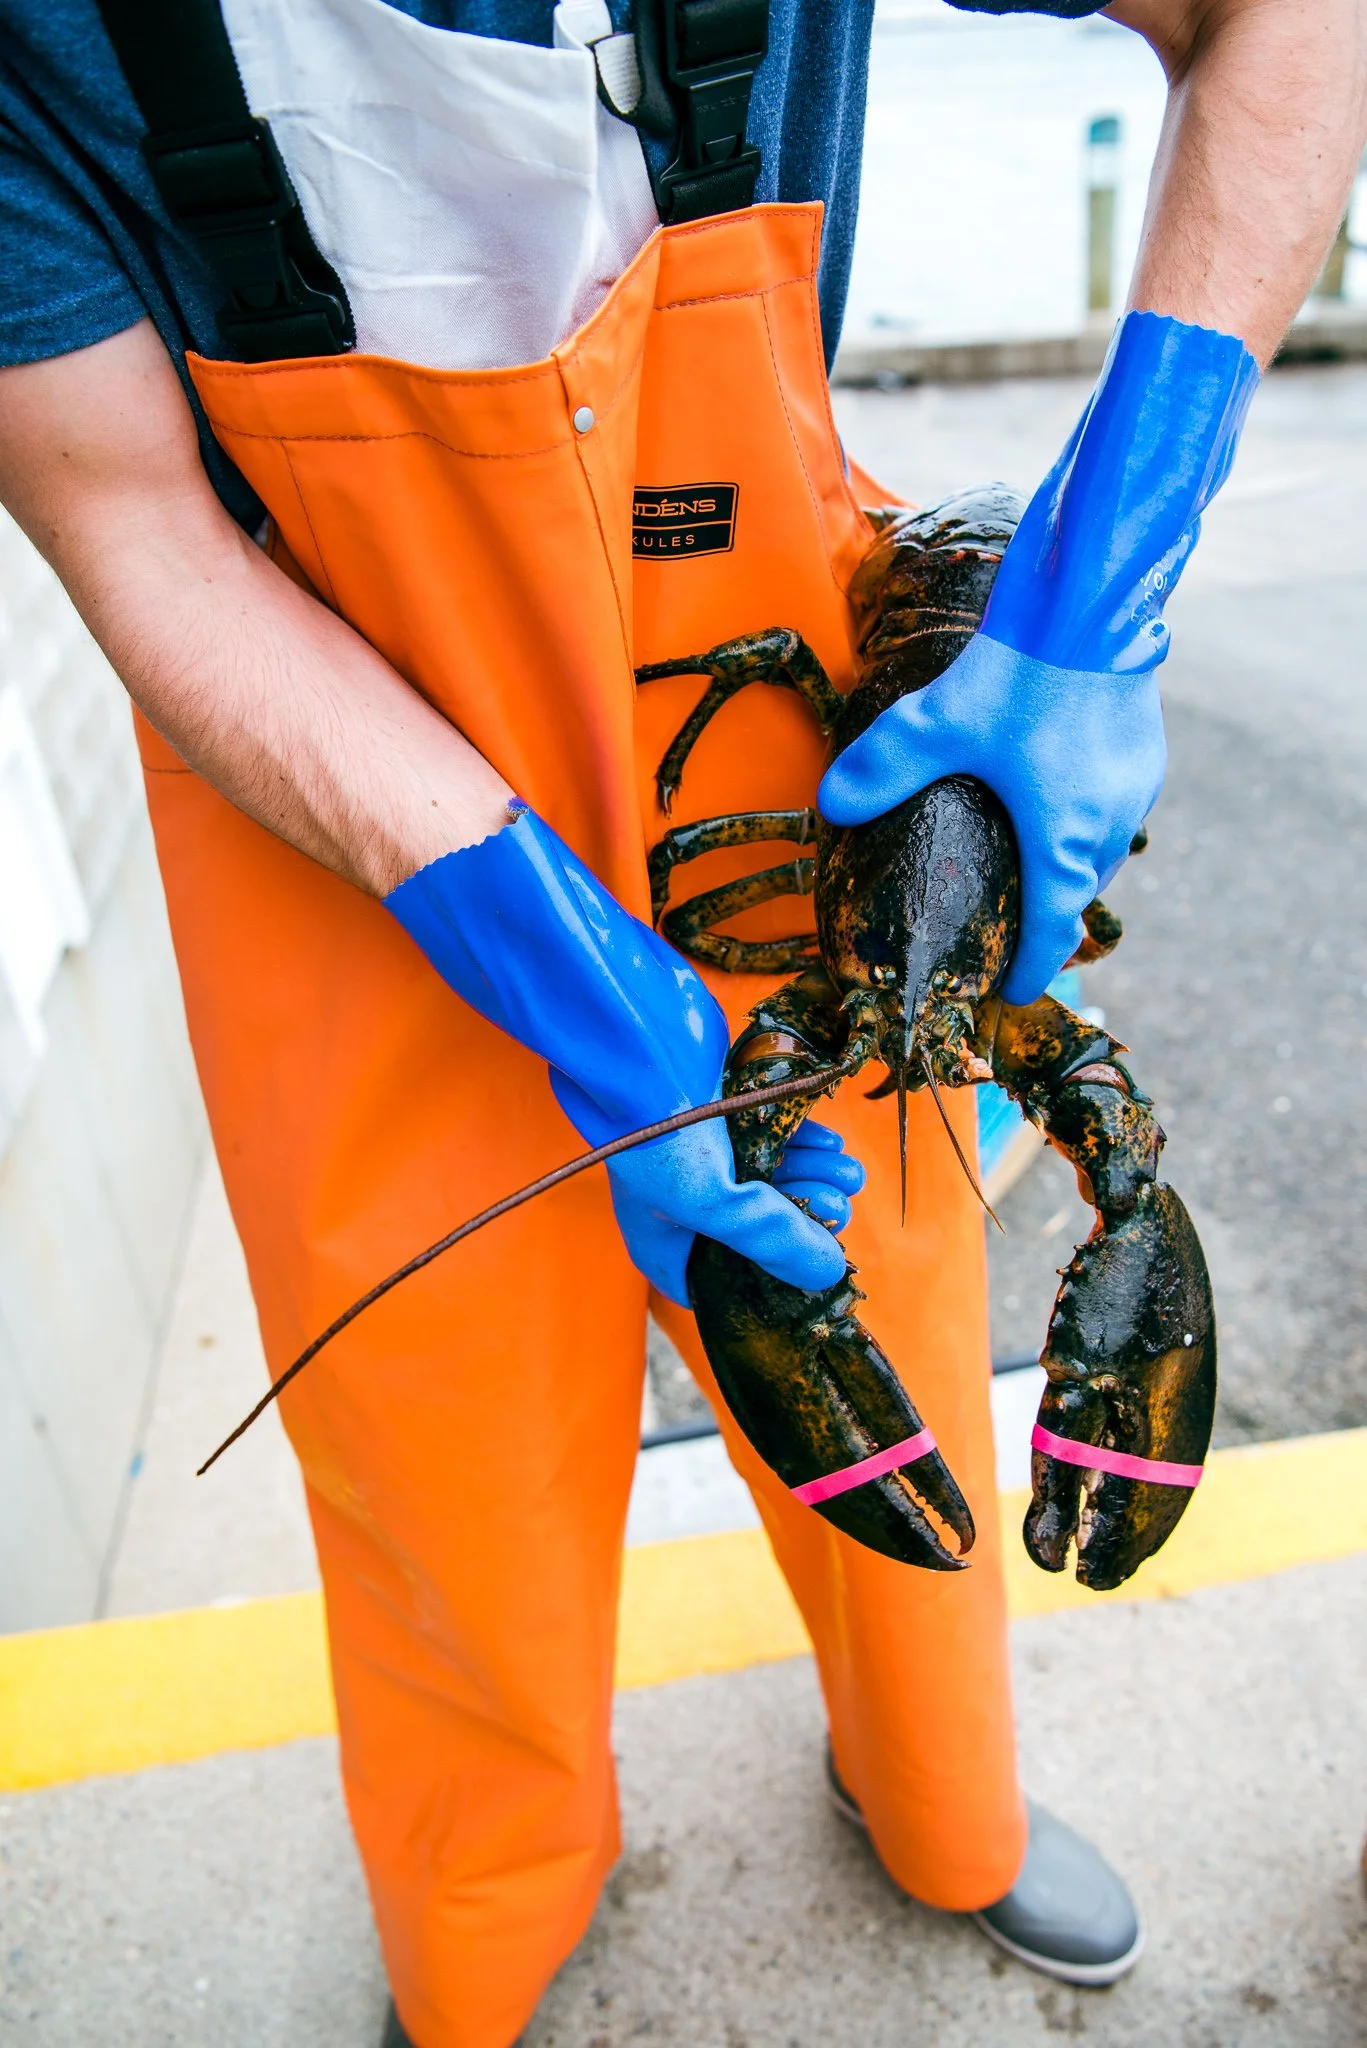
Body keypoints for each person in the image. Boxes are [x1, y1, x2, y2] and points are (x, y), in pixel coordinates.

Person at [0, 1, 1362, 2042]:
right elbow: (125, 515)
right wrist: (563, 957)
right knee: (434, 1454)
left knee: (885, 1295)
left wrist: (1093, 601)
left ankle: (942, 1810)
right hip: (330, 805)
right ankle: (484, 1935)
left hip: (796, 761)